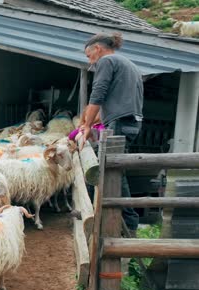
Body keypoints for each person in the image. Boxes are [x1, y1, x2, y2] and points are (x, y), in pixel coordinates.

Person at [79, 32, 144, 237]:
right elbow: (119, 99)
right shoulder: (129, 64)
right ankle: (99, 214)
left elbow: (98, 92)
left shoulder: (107, 61)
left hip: (119, 124)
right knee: (112, 170)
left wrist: (87, 125)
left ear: (97, 49)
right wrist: (98, 119)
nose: (91, 62)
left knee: (109, 171)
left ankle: (128, 221)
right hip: (131, 122)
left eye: (89, 57)